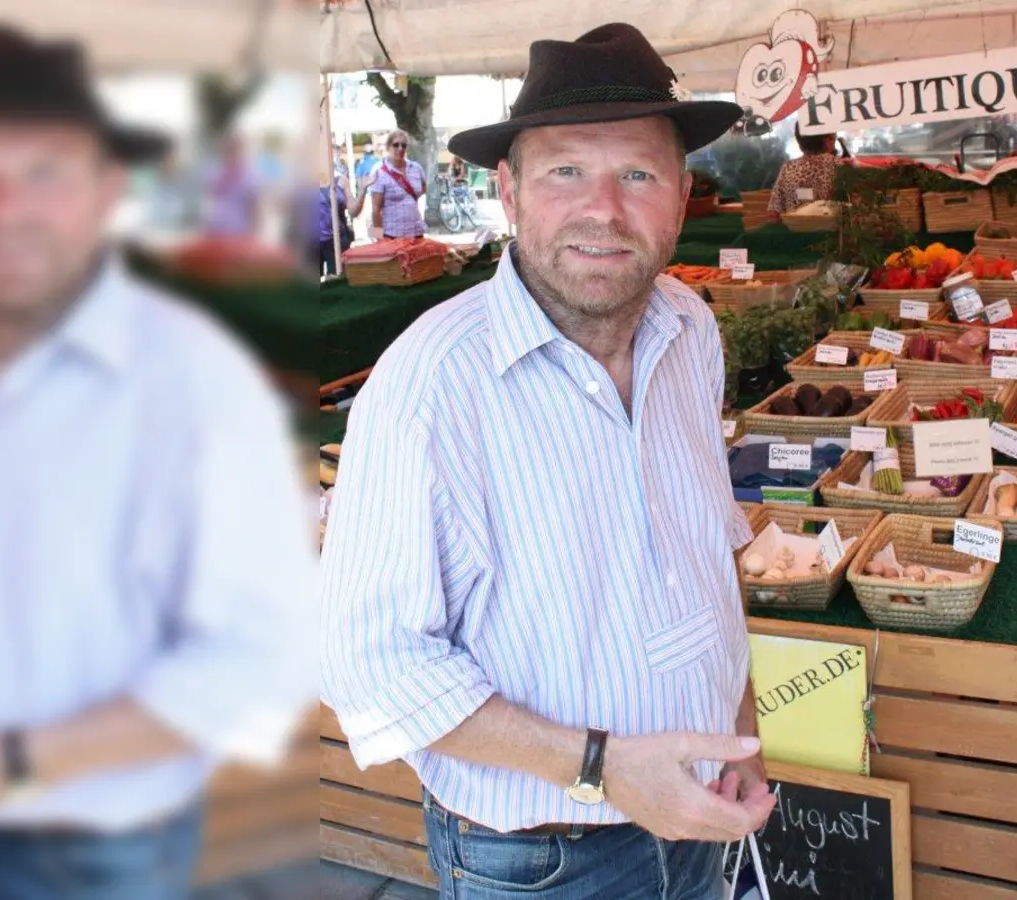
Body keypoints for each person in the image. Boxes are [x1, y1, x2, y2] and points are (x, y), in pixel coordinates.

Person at [321, 22, 771, 899]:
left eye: (637, 173)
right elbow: (371, 665)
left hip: (700, 814)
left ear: (682, 196)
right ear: (510, 191)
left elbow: (707, 558)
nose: (603, 208)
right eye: (566, 169)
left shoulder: (690, 330)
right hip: (543, 862)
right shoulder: (431, 388)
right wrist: (604, 768)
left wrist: (741, 738)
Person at [0, 24, 316, 899]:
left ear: (107, 189)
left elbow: (259, 655)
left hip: (75, 852)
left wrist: (2, 766)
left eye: (44, 171)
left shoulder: (195, 380)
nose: (2, 207)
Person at [766, 123, 838, 216]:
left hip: (795, 228)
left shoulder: (788, 168)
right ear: (828, 140)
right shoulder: (841, 166)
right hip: (833, 229)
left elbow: (773, 213)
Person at [368, 128, 427, 240]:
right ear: (388, 147)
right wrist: (378, 240)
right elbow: (375, 209)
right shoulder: (379, 172)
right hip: (392, 235)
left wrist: (407, 200)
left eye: (404, 145)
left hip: (416, 232)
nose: (400, 148)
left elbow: (423, 188)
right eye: (396, 145)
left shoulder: (416, 168)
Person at [202, 131, 261, 237]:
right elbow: (209, 201)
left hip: (238, 233)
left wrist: (253, 234)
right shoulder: (215, 172)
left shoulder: (249, 176)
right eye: (228, 149)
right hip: (214, 231)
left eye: (234, 149)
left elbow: (255, 208)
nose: (231, 153)